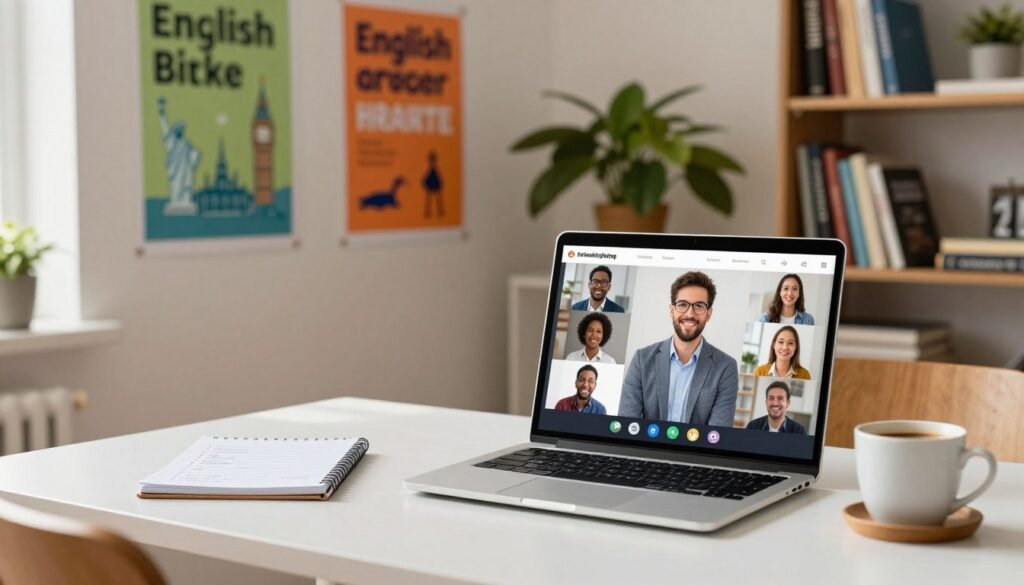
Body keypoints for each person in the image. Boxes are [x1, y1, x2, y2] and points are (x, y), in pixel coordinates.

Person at [618, 271, 738, 426]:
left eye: (699, 306)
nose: (690, 313)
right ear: (671, 310)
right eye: (682, 305)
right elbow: (627, 424)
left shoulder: (726, 367)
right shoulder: (642, 360)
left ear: (708, 314)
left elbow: (717, 434)